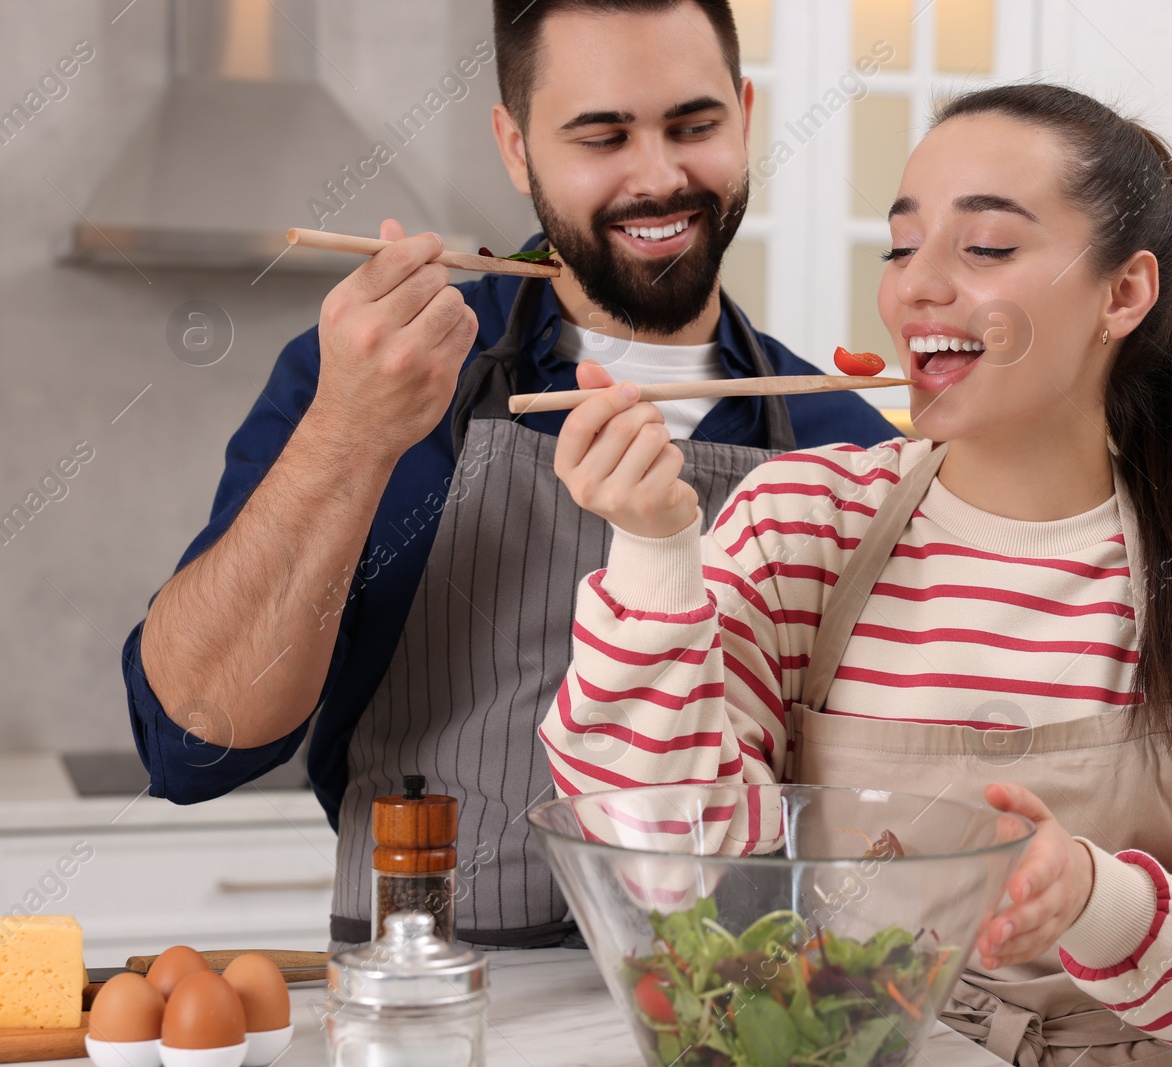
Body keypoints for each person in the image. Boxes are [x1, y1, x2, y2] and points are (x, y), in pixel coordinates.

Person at [540, 83, 1172, 1065]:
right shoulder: (800, 529)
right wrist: (654, 547)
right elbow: (668, 869)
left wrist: (1095, 897)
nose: (912, 288)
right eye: (899, 246)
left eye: (986, 249)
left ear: (1123, 294)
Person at [119, 0, 896, 950]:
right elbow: (193, 744)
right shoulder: (381, 375)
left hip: (733, 1014)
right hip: (428, 1004)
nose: (659, 176)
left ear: (744, 113)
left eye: (694, 127)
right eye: (601, 136)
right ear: (517, 147)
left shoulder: (847, 447)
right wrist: (347, 434)